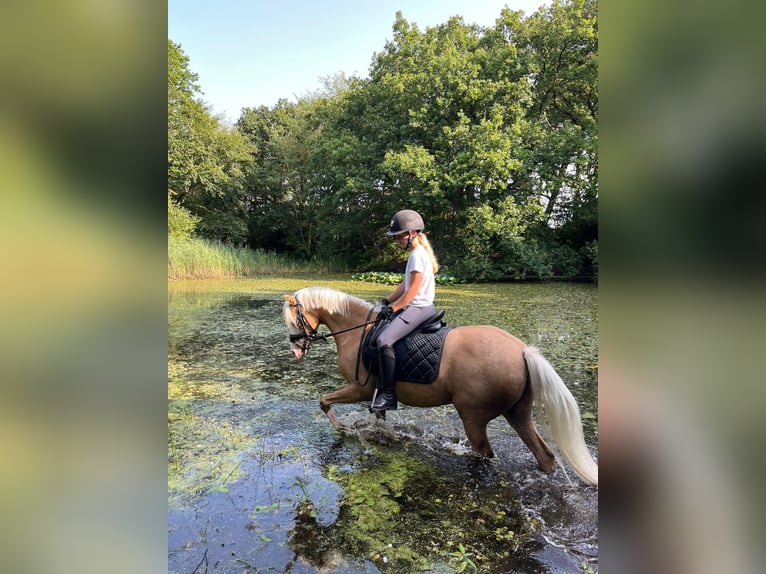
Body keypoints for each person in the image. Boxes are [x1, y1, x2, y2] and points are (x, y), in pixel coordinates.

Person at [372, 209, 440, 411]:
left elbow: (413, 290)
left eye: (400, 235)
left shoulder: (418, 255)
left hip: (419, 307)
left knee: (384, 340)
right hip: (417, 306)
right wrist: (387, 300)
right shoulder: (416, 254)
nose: (397, 240)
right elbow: (405, 283)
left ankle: (389, 396)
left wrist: (394, 308)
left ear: (413, 233)